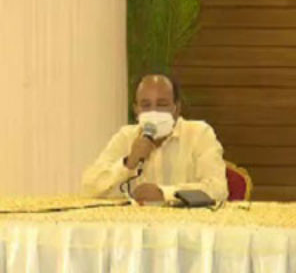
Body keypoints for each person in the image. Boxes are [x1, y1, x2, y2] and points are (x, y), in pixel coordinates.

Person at [81, 73, 228, 203]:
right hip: (135, 223)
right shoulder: (126, 137)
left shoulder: (199, 134)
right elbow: (89, 188)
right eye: (146, 105)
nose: (154, 112)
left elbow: (218, 189)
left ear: (176, 108)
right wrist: (128, 163)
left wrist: (164, 193)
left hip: (187, 223)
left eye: (162, 104)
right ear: (136, 110)